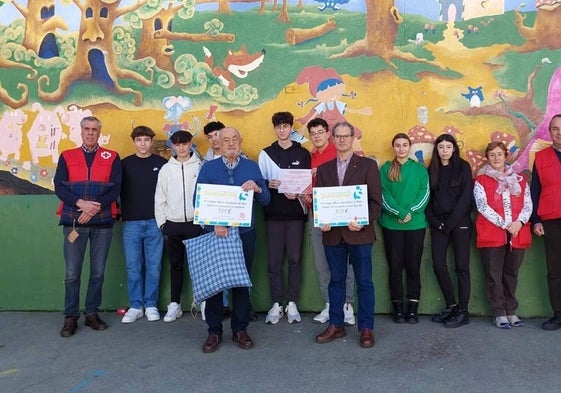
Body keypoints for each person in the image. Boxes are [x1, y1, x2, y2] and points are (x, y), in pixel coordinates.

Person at [195, 127, 271, 353]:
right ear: (218, 142)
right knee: (215, 285)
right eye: (225, 140)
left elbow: (266, 200)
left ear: (241, 141)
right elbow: (197, 200)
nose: (230, 144)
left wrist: (257, 188)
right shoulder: (208, 168)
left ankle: (240, 328)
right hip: (215, 234)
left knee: (241, 283)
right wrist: (213, 222)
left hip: (244, 234)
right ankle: (214, 331)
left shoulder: (251, 167)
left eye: (234, 139)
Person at [314, 121, 382, 348]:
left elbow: (375, 203)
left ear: (353, 138)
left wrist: (362, 222)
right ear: (333, 139)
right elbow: (320, 202)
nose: (342, 140)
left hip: (360, 235)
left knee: (364, 282)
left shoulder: (368, 166)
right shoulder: (323, 170)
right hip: (332, 236)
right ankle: (336, 324)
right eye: (338, 136)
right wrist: (321, 221)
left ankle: (366, 328)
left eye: (346, 136)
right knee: (336, 281)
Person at [54, 116, 122, 337]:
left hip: (103, 222)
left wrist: (93, 208)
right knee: (72, 273)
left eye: (94, 129)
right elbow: (59, 187)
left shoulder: (112, 156)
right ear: (81, 131)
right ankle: (70, 316)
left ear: (99, 132)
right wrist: (81, 204)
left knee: (98, 272)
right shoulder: (67, 156)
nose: (90, 133)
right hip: (74, 220)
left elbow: (116, 188)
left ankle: (92, 312)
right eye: (86, 129)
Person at [258, 112, 311, 325]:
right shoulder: (266, 154)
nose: (282, 130)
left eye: (286, 126)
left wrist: (297, 193)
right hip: (273, 215)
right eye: (278, 126)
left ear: (291, 128)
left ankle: (292, 303)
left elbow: (307, 184)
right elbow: (259, 183)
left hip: (296, 215)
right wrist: (267, 184)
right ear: (275, 129)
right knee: (274, 261)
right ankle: (276, 303)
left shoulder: (303, 153)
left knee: (295, 259)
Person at [304, 118, 356, 325]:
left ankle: (347, 305)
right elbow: (307, 188)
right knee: (321, 263)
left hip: (342, 215)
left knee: (346, 264)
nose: (317, 136)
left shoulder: (340, 153)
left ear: (328, 134)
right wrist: (306, 197)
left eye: (320, 132)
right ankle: (329, 304)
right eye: (313, 133)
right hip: (317, 215)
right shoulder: (308, 157)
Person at [474, 141, 532, 329]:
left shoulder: (520, 180)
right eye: (492, 155)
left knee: (511, 274)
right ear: (487, 158)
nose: (496, 158)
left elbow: (527, 204)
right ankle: (499, 312)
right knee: (493, 274)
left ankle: (511, 310)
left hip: (517, 232)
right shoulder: (481, 181)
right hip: (493, 232)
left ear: (506, 156)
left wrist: (519, 223)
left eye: (500, 154)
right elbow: (483, 206)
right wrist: (505, 224)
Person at [379, 133, 429, 324]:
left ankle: (413, 308)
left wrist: (410, 212)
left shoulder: (419, 170)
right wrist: (399, 213)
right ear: (394, 148)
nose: (401, 148)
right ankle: (398, 308)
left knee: (413, 267)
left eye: (405, 145)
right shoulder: (385, 169)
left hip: (415, 225)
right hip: (392, 225)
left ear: (409, 147)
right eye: (398, 145)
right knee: (395, 267)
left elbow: (424, 194)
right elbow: (383, 195)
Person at [120, 126, 167, 323]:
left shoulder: (162, 164)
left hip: (155, 222)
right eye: (139, 140)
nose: (143, 144)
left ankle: (150, 304)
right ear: (133, 142)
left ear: (151, 142)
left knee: (154, 266)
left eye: (146, 140)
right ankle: (135, 305)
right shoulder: (124, 164)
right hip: (131, 223)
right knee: (133, 266)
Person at [426, 134, 473, 328]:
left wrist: (451, 223)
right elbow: (427, 198)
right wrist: (436, 222)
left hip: (459, 223)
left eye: (448, 147)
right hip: (439, 224)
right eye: (441, 147)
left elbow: (466, 198)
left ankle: (463, 310)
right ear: (437, 150)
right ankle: (451, 305)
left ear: (454, 149)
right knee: (438, 264)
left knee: (461, 267)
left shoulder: (463, 167)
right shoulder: (432, 169)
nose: (444, 150)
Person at [155, 130, 202, 323]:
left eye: (185, 143)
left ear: (190, 144)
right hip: (172, 225)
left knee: (199, 266)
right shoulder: (167, 169)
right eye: (177, 144)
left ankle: (203, 302)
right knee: (175, 265)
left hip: (195, 224)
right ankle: (174, 304)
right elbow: (160, 197)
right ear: (172, 146)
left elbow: (204, 193)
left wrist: (202, 220)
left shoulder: (200, 166)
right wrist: (163, 224)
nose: (181, 147)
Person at [531, 114, 561, 330]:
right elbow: (535, 191)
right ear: (550, 132)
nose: (559, 132)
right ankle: (558, 314)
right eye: (555, 129)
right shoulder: (541, 157)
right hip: (551, 220)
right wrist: (536, 220)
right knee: (555, 270)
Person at [201, 120, 231, 319]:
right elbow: (202, 194)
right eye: (210, 137)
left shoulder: (240, 157)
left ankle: (235, 305)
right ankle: (218, 306)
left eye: (217, 134)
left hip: (238, 223)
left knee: (235, 265)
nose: (214, 139)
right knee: (215, 265)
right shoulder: (204, 163)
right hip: (213, 223)